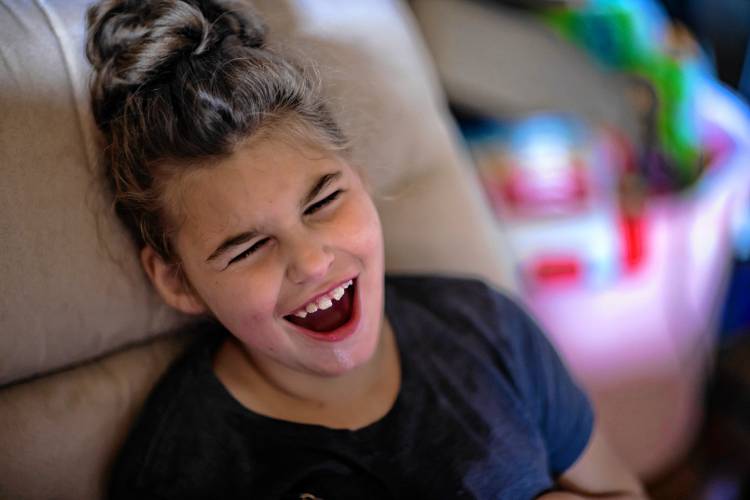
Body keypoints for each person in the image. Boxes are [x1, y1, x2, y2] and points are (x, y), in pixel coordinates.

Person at [85, 0, 645, 498]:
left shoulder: (486, 325)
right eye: (247, 247)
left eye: (324, 200)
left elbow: (621, 488)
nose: (311, 261)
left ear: (359, 176)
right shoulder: (185, 468)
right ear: (176, 280)